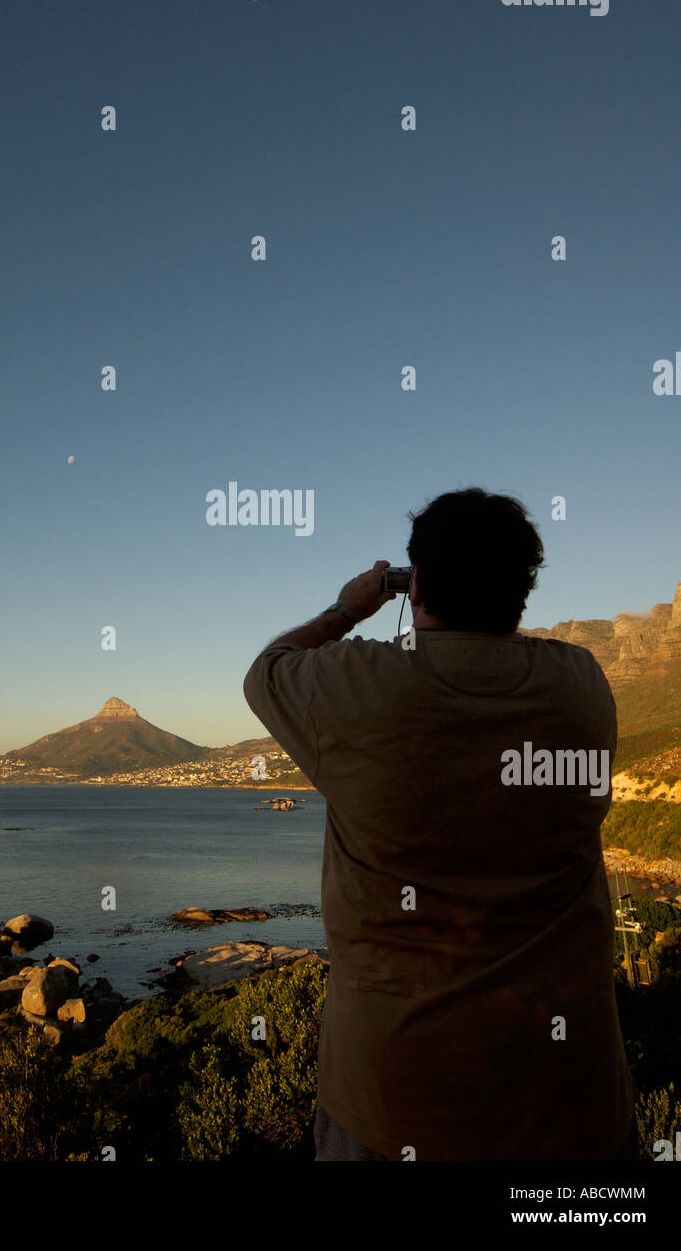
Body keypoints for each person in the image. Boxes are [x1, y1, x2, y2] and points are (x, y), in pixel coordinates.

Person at [242, 487, 638, 1161]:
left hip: (394, 1102)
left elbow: (267, 671)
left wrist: (349, 606)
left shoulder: (360, 688)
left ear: (415, 582)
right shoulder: (581, 684)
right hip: (570, 1100)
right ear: (522, 590)